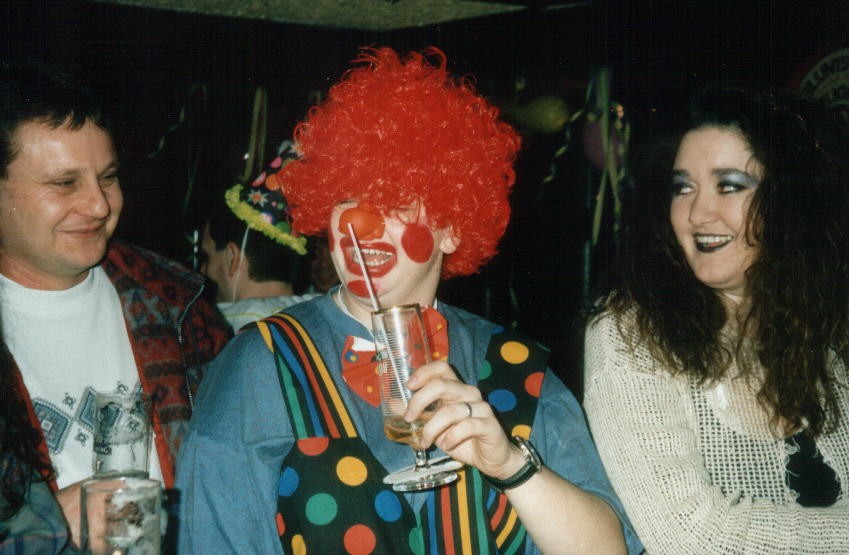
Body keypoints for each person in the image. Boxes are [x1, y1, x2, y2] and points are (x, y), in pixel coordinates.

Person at [177, 46, 641, 555]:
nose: (361, 224)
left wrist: (511, 466)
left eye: (397, 201)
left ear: (453, 227)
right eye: (347, 198)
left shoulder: (520, 370)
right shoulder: (259, 366)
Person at [583, 84, 849, 554]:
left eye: (729, 185)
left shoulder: (828, 325)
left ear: (790, 200)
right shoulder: (631, 333)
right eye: (683, 187)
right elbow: (692, 537)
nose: (697, 213)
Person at [0, 64, 232, 547]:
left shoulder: (179, 304)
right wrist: (45, 527)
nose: (100, 205)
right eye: (65, 183)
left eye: (107, 178)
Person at [199, 143, 318, 331]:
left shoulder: (216, 328)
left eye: (207, 257)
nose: (202, 270)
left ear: (232, 258)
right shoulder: (326, 311)